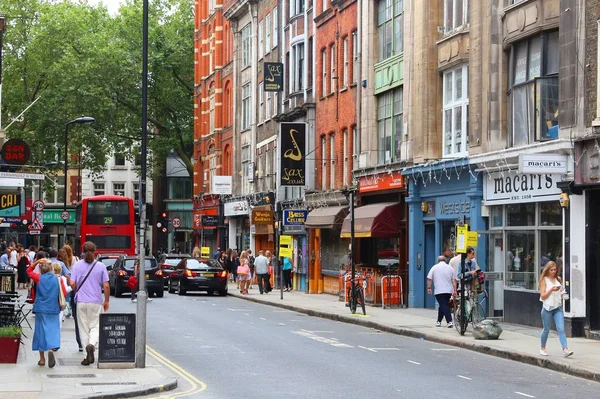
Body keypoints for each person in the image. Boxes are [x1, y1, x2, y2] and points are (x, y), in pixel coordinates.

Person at [69, 241, 110, 366]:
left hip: (81, 302)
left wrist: (77, 288)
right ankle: (92, 345)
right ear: (95, 251)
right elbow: (106, 285)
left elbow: (72, 284)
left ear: (82, 251)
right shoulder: (101, 266)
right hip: (96, 302)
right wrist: (107, 300)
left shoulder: (77, 265)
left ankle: (86, 356)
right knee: (96, 326)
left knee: (83, 329)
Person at [27, 258, 66, 368]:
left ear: (41, 269)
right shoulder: (58, 279)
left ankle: (42, 359)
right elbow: (63, 293)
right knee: (53, 329)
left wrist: (36, 262)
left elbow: (28, 271)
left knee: (40, 332)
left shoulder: (39, 278)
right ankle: (51, 349)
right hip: (53, 308)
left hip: (40, 308)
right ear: (51, 268)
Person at [539, 261, 573, 357]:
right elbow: (543, 296)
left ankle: (565, 349)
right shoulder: (544, 280)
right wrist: (551, 289)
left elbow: (562, 291)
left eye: (555, 270)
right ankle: (542, 347)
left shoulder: (558, 279)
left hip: (557, 307)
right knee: (546, 329)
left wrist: (565, 295)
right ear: (547, 270)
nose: (553, 271)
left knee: (561, 328)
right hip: (547, 309)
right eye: (551, 270)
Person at [427, 255, 457, 328]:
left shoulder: (434, 267)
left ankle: (449, 321)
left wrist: (429, 287)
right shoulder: (450, 268)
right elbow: (454, 280)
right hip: (448, 290)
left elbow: (429, 279)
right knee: (443, 305)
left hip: (439, 291)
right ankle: (438, 321)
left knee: (444, 305)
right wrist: (455, 290)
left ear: (438, 260)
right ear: (445, 260)